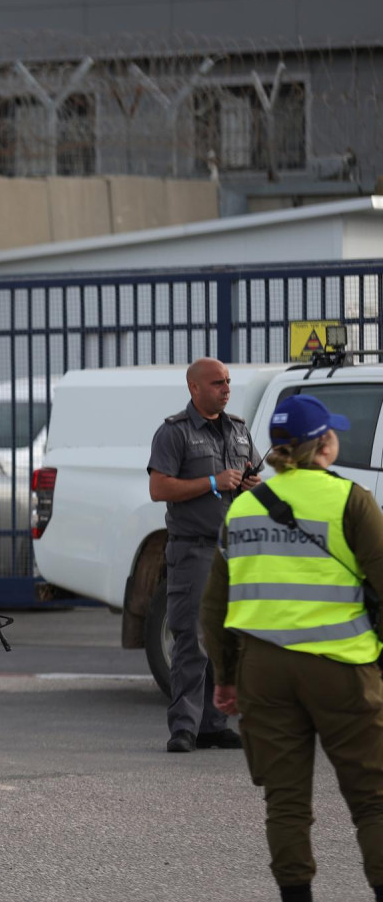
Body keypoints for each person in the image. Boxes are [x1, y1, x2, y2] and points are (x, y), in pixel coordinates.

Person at [202, 395, 383, 902]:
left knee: (286, 801)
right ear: (324, 443)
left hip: (264, 672)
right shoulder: (351, 500)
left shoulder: (242, 509)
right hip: (342, 667)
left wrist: (225, 677)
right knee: (372, 800)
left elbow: (214, 607)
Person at [148, 357, 260, 753]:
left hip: (234, 550)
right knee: (189, 640)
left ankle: (214, 724)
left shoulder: (240, 431)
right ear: (194, 388)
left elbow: (248, 478)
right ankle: (184, 727)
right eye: (216, 383)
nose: (225, 388)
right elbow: (159, 488)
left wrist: (249, 484)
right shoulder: (174, 432)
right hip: (194, 549)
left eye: (228, 381)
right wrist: (212, 481)